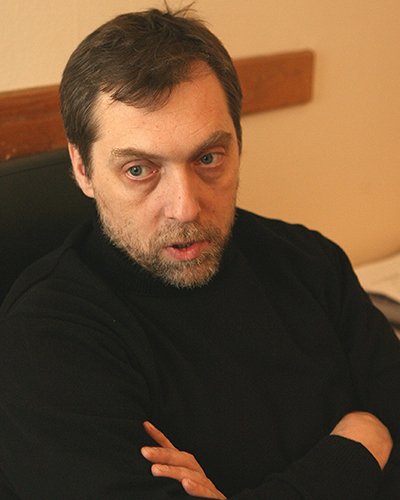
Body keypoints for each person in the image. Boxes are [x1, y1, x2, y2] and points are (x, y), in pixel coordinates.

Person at [0, 6, 399, 499]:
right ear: (83, 169)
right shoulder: (46, 342)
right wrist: (359, 447)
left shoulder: (310, 262)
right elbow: (383, 433)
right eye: (139, 170)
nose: (185, 207)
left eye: (208, 158)